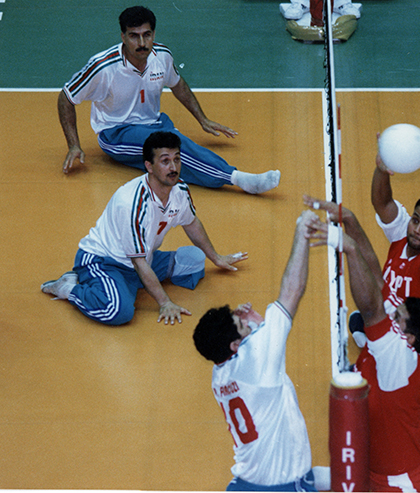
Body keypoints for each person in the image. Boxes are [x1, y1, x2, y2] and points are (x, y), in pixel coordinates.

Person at [59, 5, 280, 195]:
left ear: (154, 34)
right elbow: (66, 97)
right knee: (171, 147)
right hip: (116, 133)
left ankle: (212, 172)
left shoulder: (162, 56)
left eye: (147, 35)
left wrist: (202, 119)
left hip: (155, 123)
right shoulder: (103, 67)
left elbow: (177, 83)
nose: (142, 42)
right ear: (123, 37)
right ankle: (238, 178)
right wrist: (74, 145)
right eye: (134, 36)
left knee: (171, 152)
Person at [41, 131, 247, 326]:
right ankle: (68, 287)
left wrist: (216, 258)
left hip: (142, 258)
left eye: (176, 159)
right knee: (118, 311)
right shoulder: (132, 202)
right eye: (165, 161)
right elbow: (137, 262)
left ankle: (128, 286)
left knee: (194, 259)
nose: (173, 167)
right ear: (149, 166)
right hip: (104, 260)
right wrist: (165, 302)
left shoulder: (180, 190)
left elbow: (191, 222)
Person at [192, 209, 329, 492]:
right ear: (234, 345)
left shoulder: (220, 375)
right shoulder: (255, 358)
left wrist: (253, 324)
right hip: (284, 485)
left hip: (244, 482)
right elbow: (292, 291)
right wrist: (302, 231)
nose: (241, 317)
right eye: (238, 323)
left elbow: (260, 358)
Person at [304, 152, 420, 380]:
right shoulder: (405, 235)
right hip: (393, 312)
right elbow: (382, 203)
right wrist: (382, 170)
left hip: (415, 361)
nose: (417, 229)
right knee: (366, 306)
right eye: (416, 221)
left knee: (360, 330)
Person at [307, 212, 420, 492]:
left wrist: (349, 247)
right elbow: (377, 281)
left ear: (408, 338)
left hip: (399, 481)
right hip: (413, 447)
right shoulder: (403, 339)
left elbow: (370, 308)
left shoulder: (398, 357)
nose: (389, 317)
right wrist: (350, 220)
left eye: (397, 319)